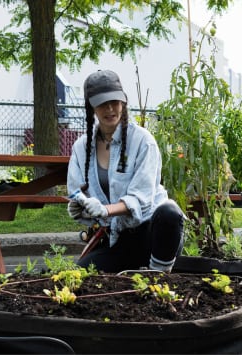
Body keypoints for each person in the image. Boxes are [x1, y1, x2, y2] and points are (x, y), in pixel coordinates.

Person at [66, 69, 185, 273]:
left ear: (123, 102)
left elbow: (142, 198)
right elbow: (80, 194)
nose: (111, 108)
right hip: (117, 240)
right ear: (91, 107)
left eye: (115, 101)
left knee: (170, 212)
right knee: (80, 276)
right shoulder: (81, 148)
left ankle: (158, 278)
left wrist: (106, 209)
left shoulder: (142, 141)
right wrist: (81, 209)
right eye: (103, 103)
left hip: (153, 236)